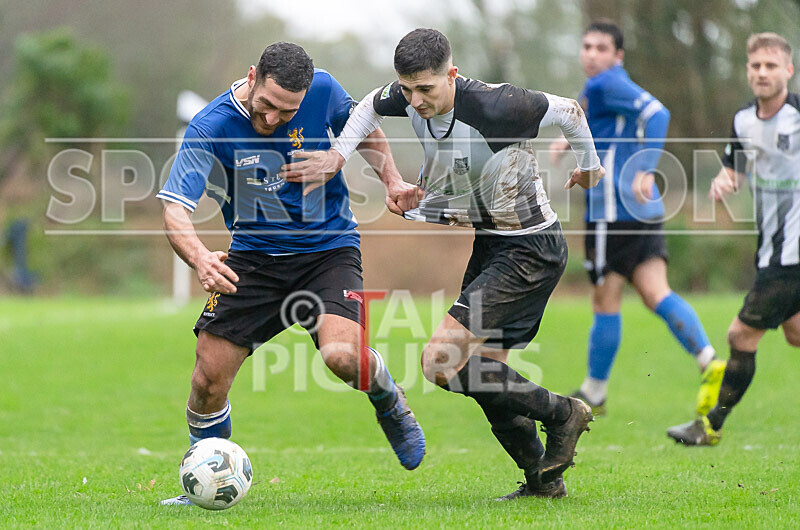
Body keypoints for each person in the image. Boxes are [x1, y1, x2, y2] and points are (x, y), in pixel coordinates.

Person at [283, 28, 605, 500]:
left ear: (452, 75)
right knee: (488, 375)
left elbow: (571, 113)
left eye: (426, 90)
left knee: (441, 362)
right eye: (408, 89)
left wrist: (590, 166)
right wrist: (338, 157)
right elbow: (370, 104)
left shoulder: (500, 106)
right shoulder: (408, 96)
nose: (414, 101)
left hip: (530, 248)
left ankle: (564, 414)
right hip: (494, 243)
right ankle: (543, 482)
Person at [156, 42, 425, 505]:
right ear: (252, 75)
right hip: (254, 258)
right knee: (207, 378)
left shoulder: (323, 89)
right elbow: (175, 208)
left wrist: (393, 181)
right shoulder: (211, 125)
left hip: (328, 250)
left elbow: (365, 130)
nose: (273, 119)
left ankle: (387, 397)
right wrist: (200, 258)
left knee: (342, 357)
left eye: (288, 111)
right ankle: (207, 469)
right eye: (266, 105)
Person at [550, 20, 724, 417]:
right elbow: (593, 115)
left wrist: (647, 166)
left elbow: (657, 113)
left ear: (617, 56)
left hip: (615, 210)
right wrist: (567, 138)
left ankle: (594, 391)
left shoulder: (607, 83)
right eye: (587, 46)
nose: (591, 54)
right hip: (642, 209)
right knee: (654, 291)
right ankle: (709, 359)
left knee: (605, 297)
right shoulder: (599, 88)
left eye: (601, 48)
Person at [668, 32, 800, 446]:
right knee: (795, 332)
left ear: (788, 71)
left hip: (792, 252)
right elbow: (736, 167)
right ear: (747, 70)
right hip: (772, 246)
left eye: (771, 65)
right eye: (756, 66)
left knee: (740, 336)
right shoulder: (744, 120)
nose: (762, 73)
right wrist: (726, 180)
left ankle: (710, 425)